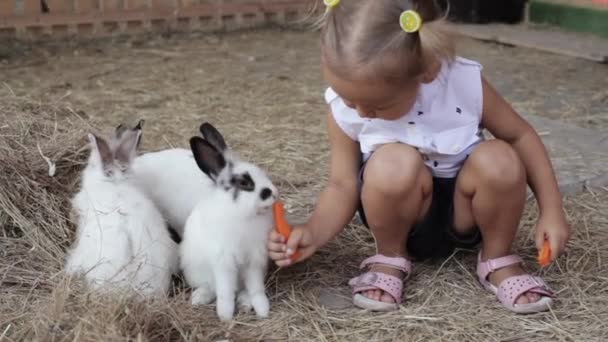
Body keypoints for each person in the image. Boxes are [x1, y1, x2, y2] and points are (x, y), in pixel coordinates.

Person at [267, 0, 570, 313]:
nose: (359, 111)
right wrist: (313, 232)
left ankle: (497, 258)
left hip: (466, 214)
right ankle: (390, 258)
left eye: (377, 106)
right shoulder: (348, 108)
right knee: (391, 162)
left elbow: (521, 135)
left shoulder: (461, 82)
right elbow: (342, 185)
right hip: (405, 218)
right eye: (347, 97)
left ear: (427, 71)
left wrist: (552, 209)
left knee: (500, 158)